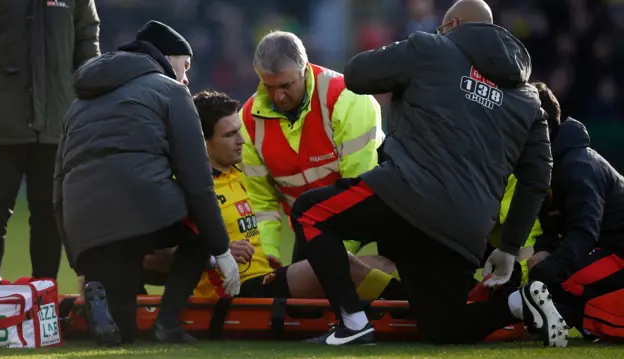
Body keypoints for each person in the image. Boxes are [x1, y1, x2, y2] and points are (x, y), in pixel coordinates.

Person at [289, 0, 569, 347]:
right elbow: (537, 178)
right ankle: (518, 304)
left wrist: (411, 52)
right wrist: (509, 247)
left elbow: (357, 74)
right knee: (444, 328)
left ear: (452, 25)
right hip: (464, 228)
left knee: (310, 212)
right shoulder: (529, 100)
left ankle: (353, 322)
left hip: (406, 193)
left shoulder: (431, 47)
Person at [54, 21, 240, 346]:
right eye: (185, 66)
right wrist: (221, 249)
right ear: (168, 59)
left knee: (124, 333)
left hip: (85, 224)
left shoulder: (77, 104)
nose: (186, 78)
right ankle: (167, 324)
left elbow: (59, 181)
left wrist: (78, 257)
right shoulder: (171, 91)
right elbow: (197, 180)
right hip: (141, 209)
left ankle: (100, 292)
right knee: (197, 230)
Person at [143, 90, 404, 301]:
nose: (242, 141)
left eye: (240, 132)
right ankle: (414, 307)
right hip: (235, 292)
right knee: (341, 262)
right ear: (203, 141)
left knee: (380, 263)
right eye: (230, 134)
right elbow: (152, 259)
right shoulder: (183, 190)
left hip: (267, 279)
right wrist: (216, 258)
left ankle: (405, 307)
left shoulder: (242, 176)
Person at [239, 31, 384, 267]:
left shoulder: (347, 97)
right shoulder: (247, 121)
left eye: (286, 85)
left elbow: (359, 185)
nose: (279, 96)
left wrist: (336, 260)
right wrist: (267, 256)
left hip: (371, 221)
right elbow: (260, 202)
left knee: (385, 296)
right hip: (313, 230)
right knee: (301, 300)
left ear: (304, 70)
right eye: (269, 87)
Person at [0, 0, 100, 279]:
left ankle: (44, 297)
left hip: (56, 123)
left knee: (52, 217)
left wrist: (95, 92)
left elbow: (86, 39)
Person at [528, 82, 624, 339]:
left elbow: (584, 234)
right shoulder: (554, 166)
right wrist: (543, 252)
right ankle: (561, 316)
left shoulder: (578, 168)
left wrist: (542, 273)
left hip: (617, 254)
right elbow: (554, 228)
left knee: (564, 277)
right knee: (552, 274)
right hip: (607, 252)